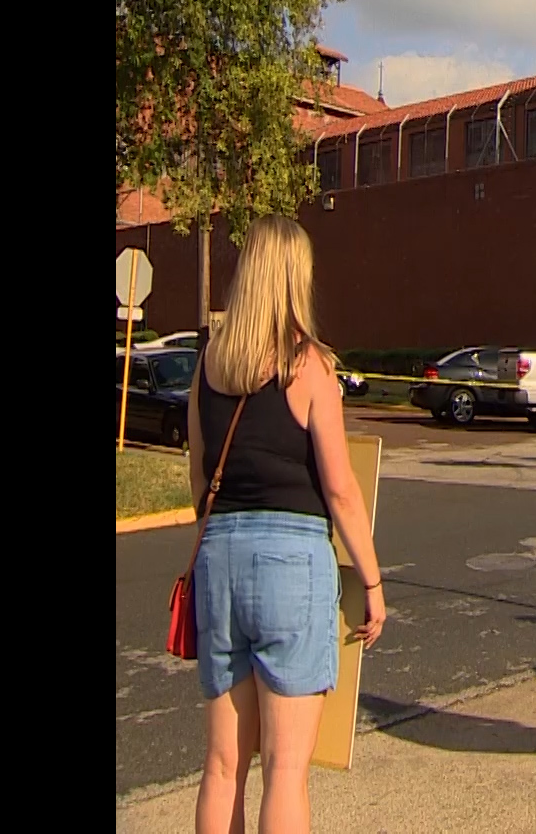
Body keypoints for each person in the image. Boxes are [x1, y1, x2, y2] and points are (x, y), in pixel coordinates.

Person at [185, 215, 386, 834]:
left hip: (219, 555)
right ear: (296, 277)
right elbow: (341, 491)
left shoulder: (209, 364)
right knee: (285, 768)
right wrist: (373, 585)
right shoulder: (310, 366)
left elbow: (199, 484)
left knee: (223, 767)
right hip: (290, 559)